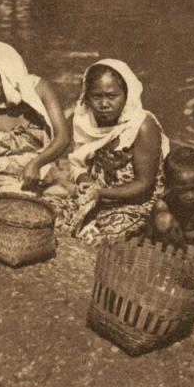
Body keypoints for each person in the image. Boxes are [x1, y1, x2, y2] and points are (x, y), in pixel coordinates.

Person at [52, 59, 170, 246]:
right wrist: (84, 181)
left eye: (112, 96)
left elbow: (144, 183)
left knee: (89, 240)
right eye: (96, 97)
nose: (104, 104)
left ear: (126, 94)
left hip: (135, 203)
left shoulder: (142, 126)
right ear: (86, 97)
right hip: (96, 196)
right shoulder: (85, 120)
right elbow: (79, 162)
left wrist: (102, 193)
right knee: (50, 219)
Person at [0, 40, 70, 193]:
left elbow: (62, 137)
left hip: (43, 170)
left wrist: (35, 164)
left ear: (8, 73)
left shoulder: (39, 90)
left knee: (62, 197)